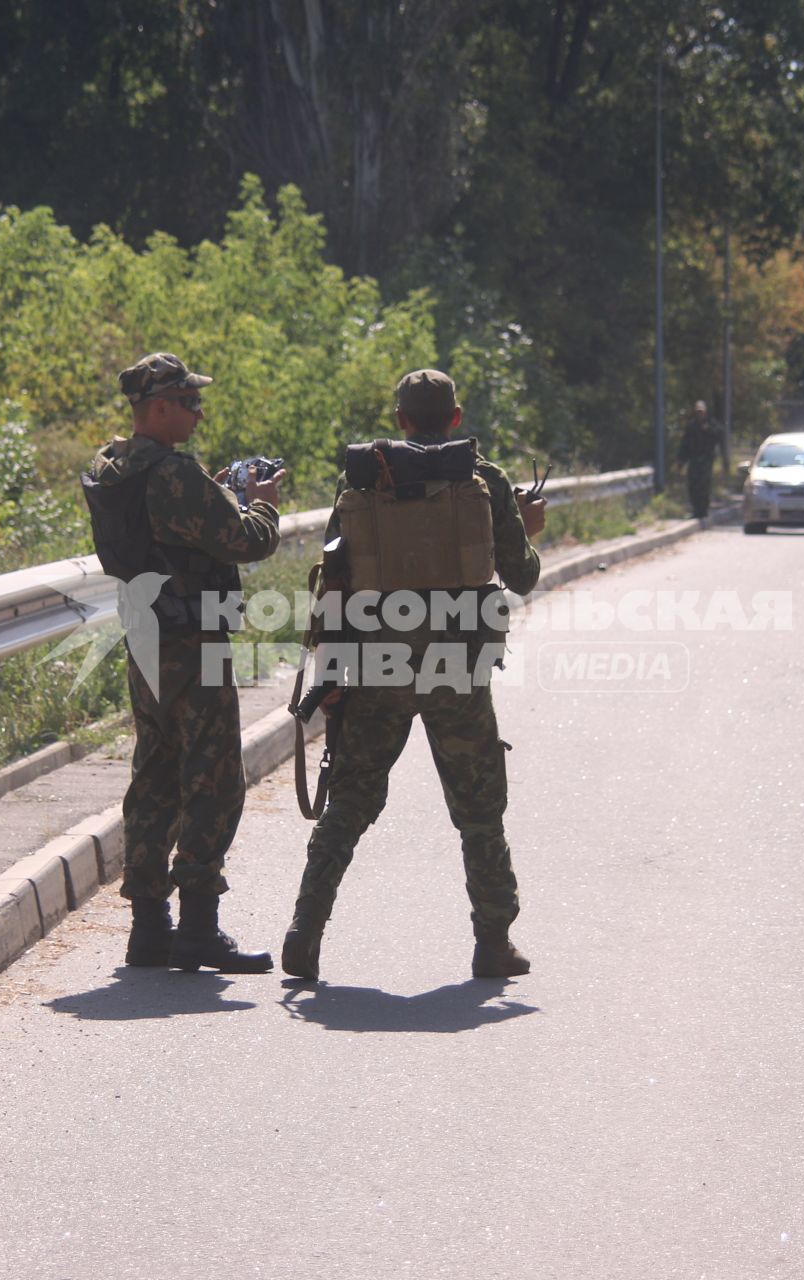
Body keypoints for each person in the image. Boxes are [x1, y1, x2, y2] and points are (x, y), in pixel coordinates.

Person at [282, 369, 547, 981]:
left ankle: (305, 932)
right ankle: (493, 943)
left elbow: (335, 580)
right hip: (457, 663)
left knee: (348, 801)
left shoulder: (366, 477)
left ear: (400, 419)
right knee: (479, 810)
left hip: (378, 663)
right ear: (454, 418)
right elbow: (522, 575)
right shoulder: (486, 479)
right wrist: (529, 534)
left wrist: (334, 670)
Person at [82, 352, 285, 973]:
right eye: (189, 402)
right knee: (212, 778)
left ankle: (149, 928)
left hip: (144, 636)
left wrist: (215, 492)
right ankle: (198, 927)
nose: (199, 412)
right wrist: (261, 502)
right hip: (192, 641)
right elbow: (247, 541)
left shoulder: (112, 467)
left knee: (154, 773)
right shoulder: (173, 474)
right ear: (159, 407)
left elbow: (169, 526)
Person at [677, 400, 727, 520]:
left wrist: (708, 429)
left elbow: (720, 435)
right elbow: (685, 444)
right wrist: (680, 460)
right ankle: (695, 510)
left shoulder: (711, 424)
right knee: (693, 485)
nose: (699, 415)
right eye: (697, 412)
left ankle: (703, 510)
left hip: (706, 459)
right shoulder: (691, 426)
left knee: (704, 485)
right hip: (694, 459)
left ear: (705, 413)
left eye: (701, 412)